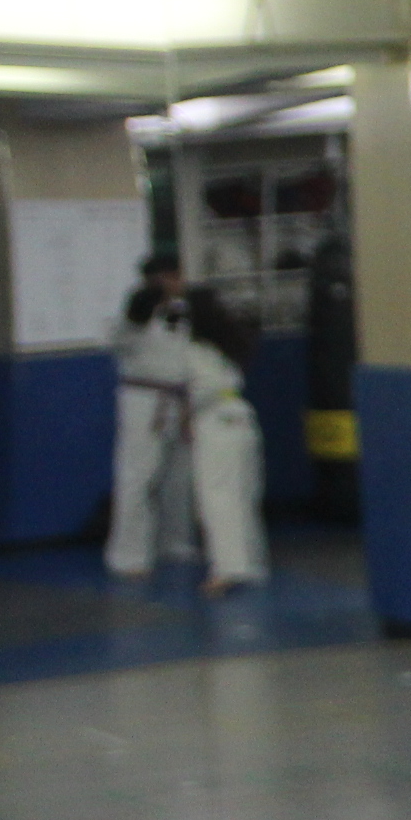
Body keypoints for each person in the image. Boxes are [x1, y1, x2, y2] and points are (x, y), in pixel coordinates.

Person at [103, 249, 196, 578]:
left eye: (177, 276)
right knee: (138, 476)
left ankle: (174, 542)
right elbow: (117, 341)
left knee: (179, 476)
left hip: (180, 398)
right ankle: (127, 555)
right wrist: (137, 316)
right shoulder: (135, 309)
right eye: (169, 277)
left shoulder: (185, 310)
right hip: (143, 399)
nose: (176, 282)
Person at [179, 286, 267, 596]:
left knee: (218, 497)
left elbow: (203, 389)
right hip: (242, 417)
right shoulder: (224, 343)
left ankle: (227, 570)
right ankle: (252, 563)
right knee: (244, 494)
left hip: (215, 421)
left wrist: (185, 416)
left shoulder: (193, 349)